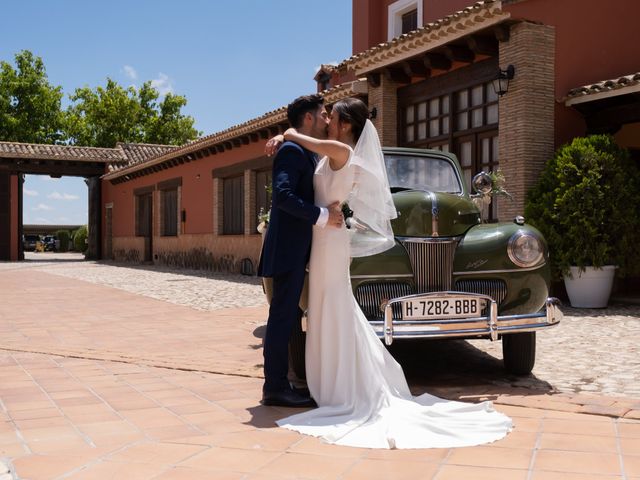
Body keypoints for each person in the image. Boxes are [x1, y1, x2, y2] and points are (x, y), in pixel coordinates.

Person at [265, 97, 513, 449]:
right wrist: (285, 138)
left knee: (334, 305)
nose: (327, 119)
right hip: (323, 239)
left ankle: (341, 387)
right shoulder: (326, 151)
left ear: (346, 125)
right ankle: (328, 383)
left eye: (331, 116)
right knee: (326, 307)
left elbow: (304, 140)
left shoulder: (338, 149)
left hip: (329, 241)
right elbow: (301, 164)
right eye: (323, 114)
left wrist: (287, 133)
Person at [258, 94, 344, 408]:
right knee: (283, 318)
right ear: (308, 118)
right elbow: (282, 196)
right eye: (323, 114)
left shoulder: (301, 148)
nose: (326, 118)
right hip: (286, 250)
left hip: (299, 250)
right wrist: (323, 217)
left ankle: (278, 384)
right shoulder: (292, 151)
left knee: (286, 317)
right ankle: (275, 387)